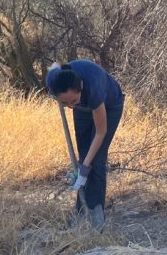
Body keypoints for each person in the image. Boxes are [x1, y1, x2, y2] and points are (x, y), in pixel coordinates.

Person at [45, 59, 125, 231]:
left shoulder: (93, 88)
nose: (70, 106)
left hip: (109, 106)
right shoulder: (53, 81)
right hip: (84, 107)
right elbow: (54, 65)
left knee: (95, 159)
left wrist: (85, 166)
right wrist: (82, 166)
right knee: (84, 155)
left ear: (80, 86)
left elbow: (100, 133)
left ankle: (96, 218)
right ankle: (82, 213)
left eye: (72, 100)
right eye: (64, 103)